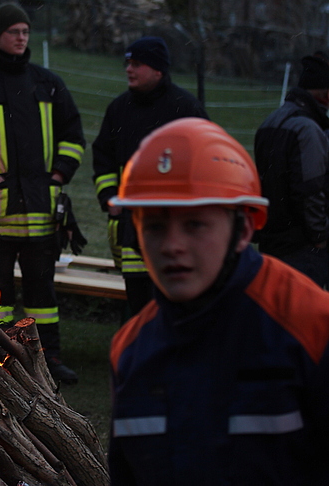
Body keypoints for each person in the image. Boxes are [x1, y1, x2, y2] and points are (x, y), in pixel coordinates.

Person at [108, 118, 329, 485]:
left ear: (243, 230)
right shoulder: (131, 351)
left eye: (194, 224)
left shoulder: (312, 328)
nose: (171, 245)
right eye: (155, 227)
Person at [0, 3, 86, 384]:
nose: (21, 38)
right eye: (14, 31)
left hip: (42, 213)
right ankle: (3, 362)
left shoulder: (48, 84)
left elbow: (73, 134)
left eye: (26, 32)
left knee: (42, 295)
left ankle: (49, 360)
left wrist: (60, 173)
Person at [92, 36, 207, 317]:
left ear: (158, 70)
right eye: (128, 63)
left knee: (176, 308)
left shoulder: (185, 109)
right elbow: (103, 156)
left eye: (138, 64)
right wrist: (109, 197)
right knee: (138, 307)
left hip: (175, 229)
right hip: (132, 227)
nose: (129, 69)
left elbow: (206, 161)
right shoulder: (119, 109)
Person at [254, 52, 329, 288]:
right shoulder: (308, 130)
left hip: (272, 242)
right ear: (325, 95)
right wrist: (319, 237)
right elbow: (310, 190)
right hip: (301, 249)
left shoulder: (270, 122)